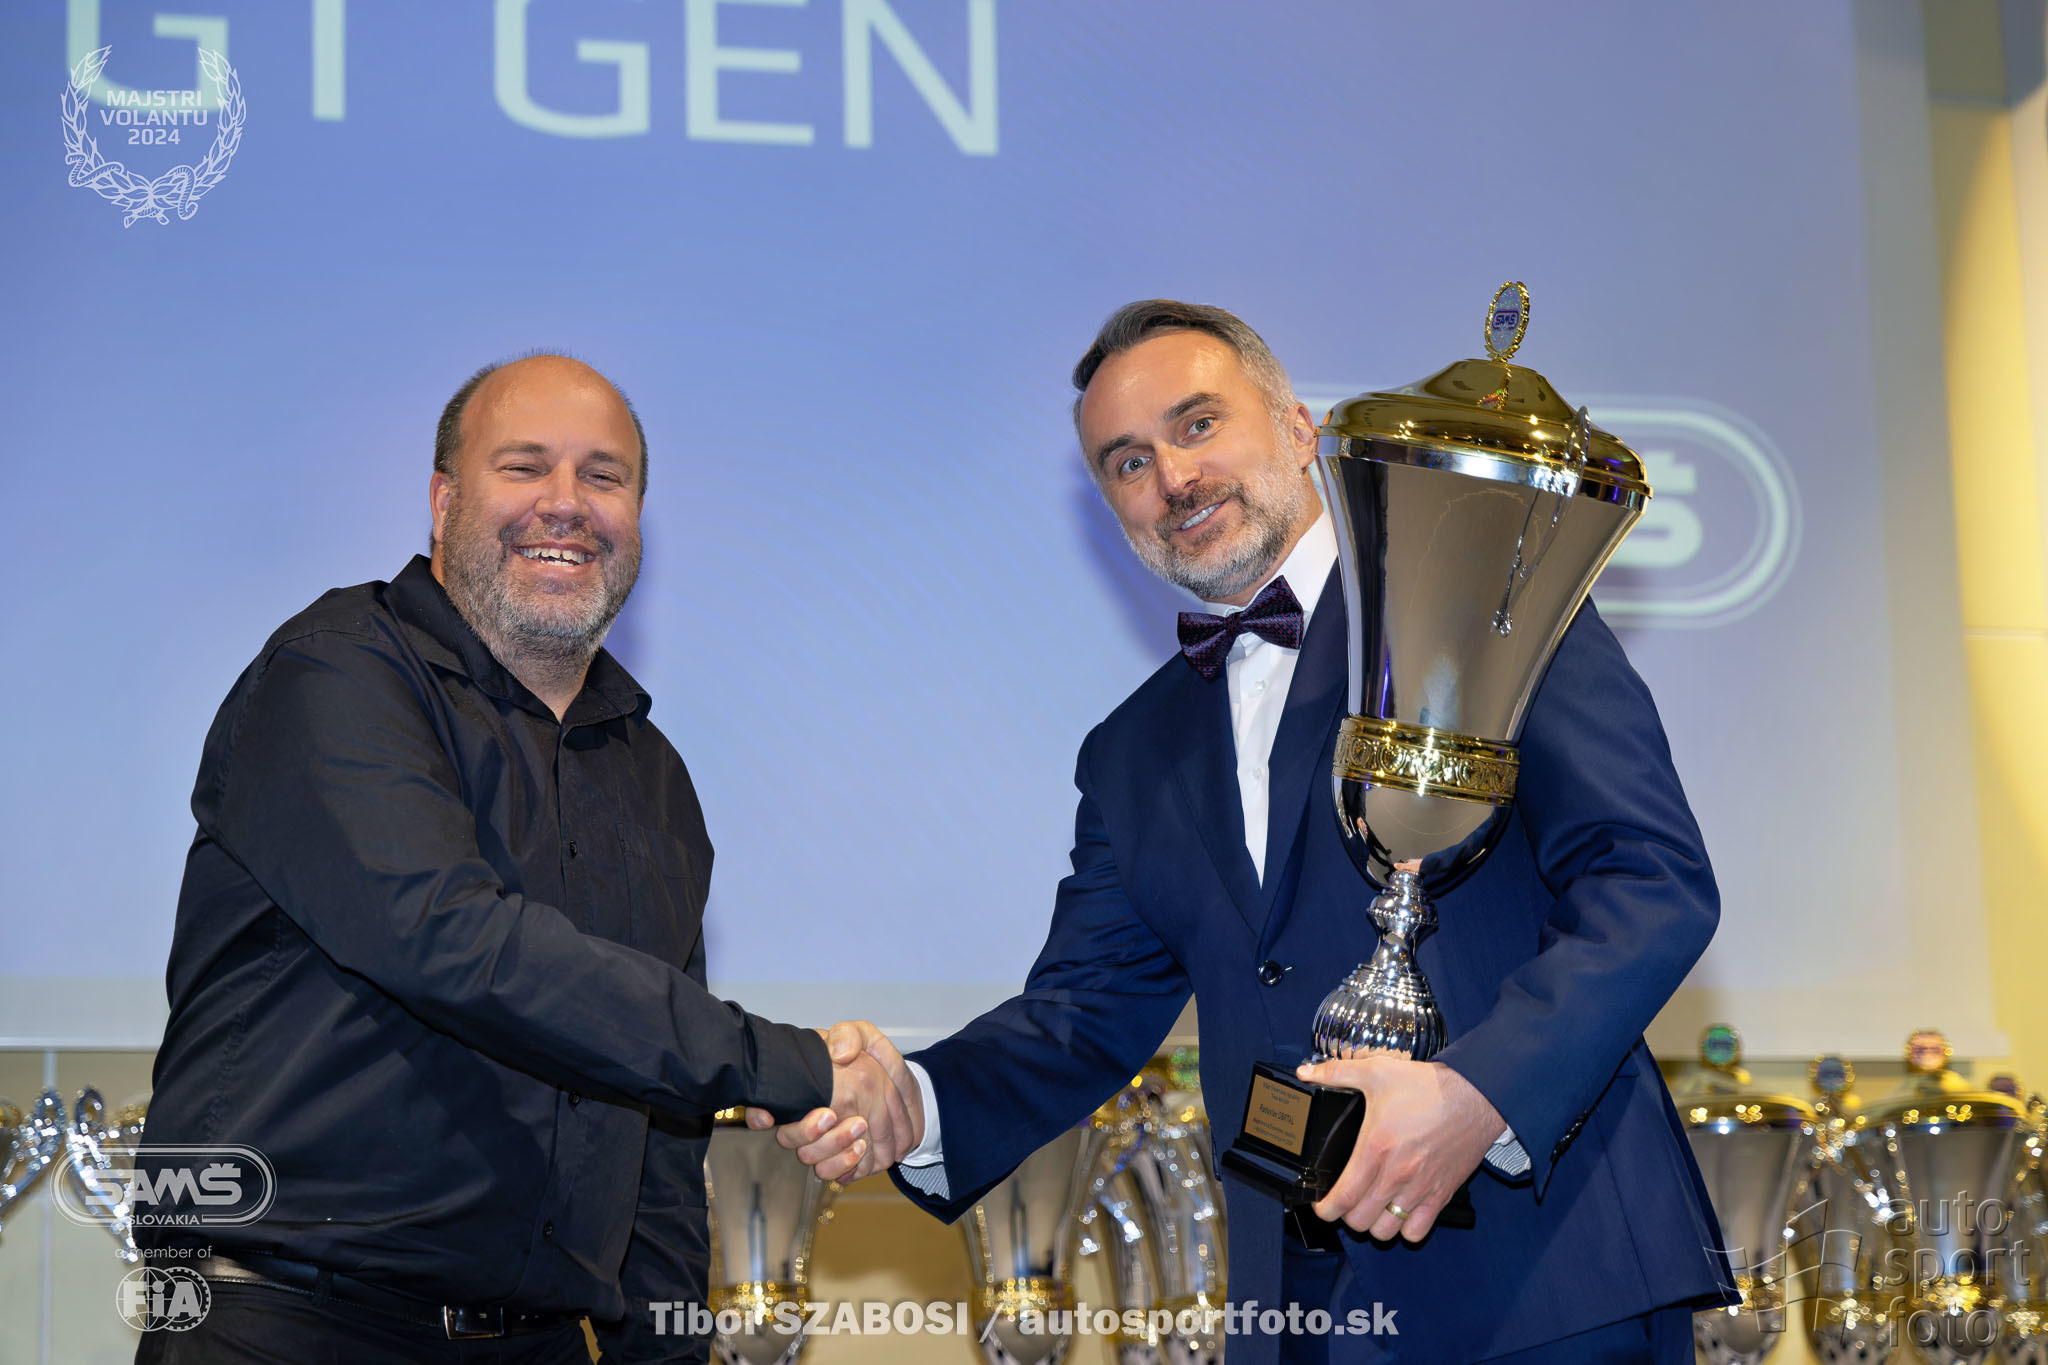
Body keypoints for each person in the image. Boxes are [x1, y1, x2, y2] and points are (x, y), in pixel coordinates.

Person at [778, 302, 1737, 1363]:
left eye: (1197, 425)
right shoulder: (1131, 750)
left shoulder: (1477, 597)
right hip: (1299, 1311)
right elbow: (1082, 1012)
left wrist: (1477, 1098)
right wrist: (913, 1099)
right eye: (1127, 461)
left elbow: (1648, 880)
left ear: (1296, 426)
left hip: (1547, 1282)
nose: (1173, 477)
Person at [134, 354, 913, 1364]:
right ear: (442, 501)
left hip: (537, 1340)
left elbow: (655, 1139)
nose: (566, 503)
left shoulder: (652, 777)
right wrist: (798, 1067)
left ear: (637, 517)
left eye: (604, 476)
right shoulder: (337, 672)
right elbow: (452, 940)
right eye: (524, 466)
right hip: (286, 1322)